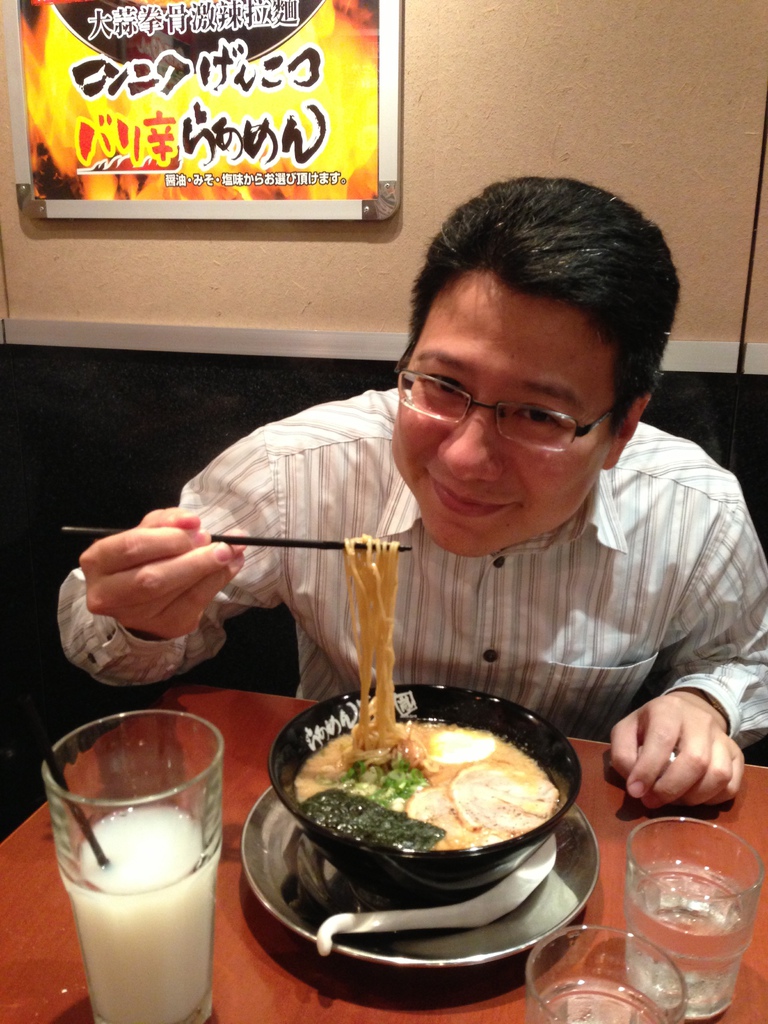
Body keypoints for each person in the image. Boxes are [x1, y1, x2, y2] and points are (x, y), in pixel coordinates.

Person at [59, 176, 768, 810]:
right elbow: (100, 635)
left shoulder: (694, 513)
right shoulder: (298, 467)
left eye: (537, 415)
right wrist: (144, 620)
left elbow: (748, 658)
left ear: (622, 428)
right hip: (344, 808)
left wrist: (704, 702)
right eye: (443, 384)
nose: (463, 458)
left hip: (563, 839)